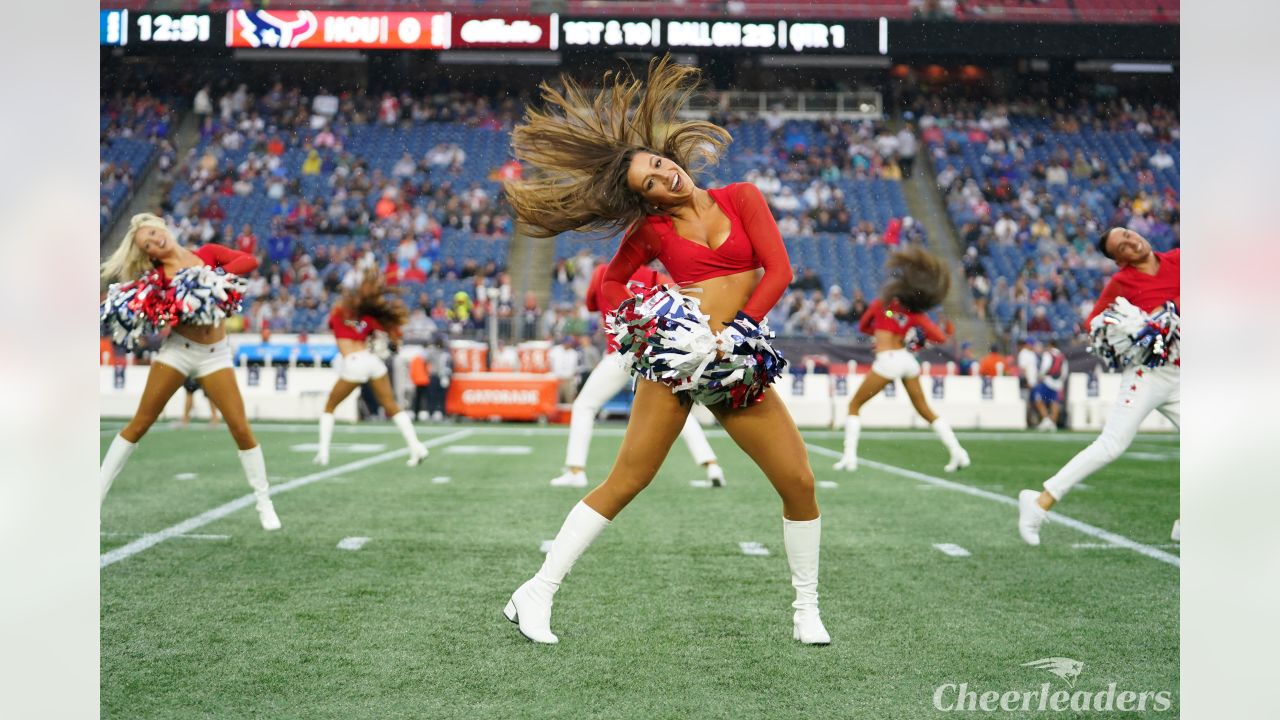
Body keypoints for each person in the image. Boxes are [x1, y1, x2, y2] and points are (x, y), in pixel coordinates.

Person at [501, 57, 828, 645]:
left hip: (735, 361)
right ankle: (537, 591)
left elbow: (779, 271)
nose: (662, 178)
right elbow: (609, 284)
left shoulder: (742, 197)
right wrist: (638, 333)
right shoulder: (651, 231)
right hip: (678, 363)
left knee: (799, 482)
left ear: (667, 155)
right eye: (649, 183)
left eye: (657, 166)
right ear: (646, 200)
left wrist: (740, 329)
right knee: (628, 479)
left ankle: (806, 609)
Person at [99, 213, 280, 530]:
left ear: (164, 229)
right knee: (140, 423)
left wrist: (210, 277)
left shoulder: (207, 254)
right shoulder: (156, 278)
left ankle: (264, 502)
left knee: (240, 428)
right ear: (148, 254)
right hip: (178, 353)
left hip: (216, 355)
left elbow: (248, 261)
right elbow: (151, 316)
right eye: (147, 243)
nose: (155, 240)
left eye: (154, 232)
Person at [1018, 228, 1180, 545]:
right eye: (1123, 246)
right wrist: (1137, 329)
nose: (1132, 242)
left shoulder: (1179, 260)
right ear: (1120, 260)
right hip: (1146, 373)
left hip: (1182, 374)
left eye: (1129, 235)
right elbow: (1095, 325)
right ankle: (1038, 503)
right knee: (1112, 444)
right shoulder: (1121, 283)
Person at [549, 262, 725, 489]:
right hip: (651, 355)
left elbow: (592, 304)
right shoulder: (654, 277)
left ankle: (575, 470)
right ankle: (711, 465)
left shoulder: (602, 271)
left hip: (619, 354)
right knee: (675, 410)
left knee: (584, 405)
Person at [833, 248, 970, 474]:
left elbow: (863, 326)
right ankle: (958, 453)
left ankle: (849, 458)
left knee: (854, 405)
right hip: (907, 360)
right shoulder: (912, 312)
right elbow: (938, 337)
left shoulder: (880, 305)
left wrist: (880, 330)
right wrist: (913, 340)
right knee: (926, 410)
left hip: (888, 360)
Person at [313, 270, 429, 467]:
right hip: (372, 360)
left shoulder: (338, 314)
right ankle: (417, 447)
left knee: (329, 406)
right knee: (391, 406)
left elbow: (336, 322)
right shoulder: (368, 318)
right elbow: (390, 335)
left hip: (354, 362)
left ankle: (323, 453)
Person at [1031, 340, 1068, 431]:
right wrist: (1060, 381)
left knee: (1038, 399)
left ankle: (1046, 420)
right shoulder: (1062, 356)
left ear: (1050, 345)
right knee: (1055, 402)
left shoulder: (1048, 354)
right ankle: (1052, 423)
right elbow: (1065, 371)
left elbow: (1045, 366)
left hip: (1047, 381)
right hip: (1058, 383)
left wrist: (1040, 376)